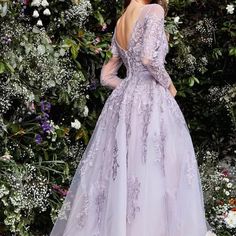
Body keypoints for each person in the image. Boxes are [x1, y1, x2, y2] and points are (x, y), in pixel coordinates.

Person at [50, 0, 216, 235]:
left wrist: (129, 87)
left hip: (124, 103)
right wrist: (170, 86)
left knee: (125, 169)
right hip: (151, 101)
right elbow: (149, 59)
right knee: (157, 168)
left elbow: (106, 76)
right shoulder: (153, 11)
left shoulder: (120, 22)